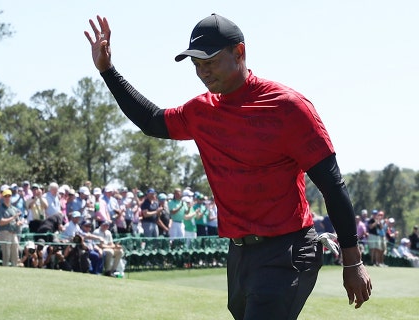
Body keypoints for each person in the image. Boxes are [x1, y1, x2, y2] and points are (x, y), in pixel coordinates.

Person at [85, 13, 371, 318]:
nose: (202, 72)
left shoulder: (288, 107)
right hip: (239, 254)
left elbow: (332, 184)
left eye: (209, 62)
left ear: (239, 53)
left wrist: (352, 261)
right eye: (196, 65)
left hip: (287, 250)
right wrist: (107, 71)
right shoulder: (201, 110)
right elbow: (152, 121)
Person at [0, 189, 22, 267]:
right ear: (3, 197)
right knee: (6, 255)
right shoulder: (0, 209)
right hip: (5, 233)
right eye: (5, 196)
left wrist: (19, 223)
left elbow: (17, 220)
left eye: (9, 196)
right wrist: (12, 218)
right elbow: (1, 222)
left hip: (14, 233)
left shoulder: (14, 208)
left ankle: (14, 269)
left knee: (15, 254)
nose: (7, 198)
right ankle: (5, 271)